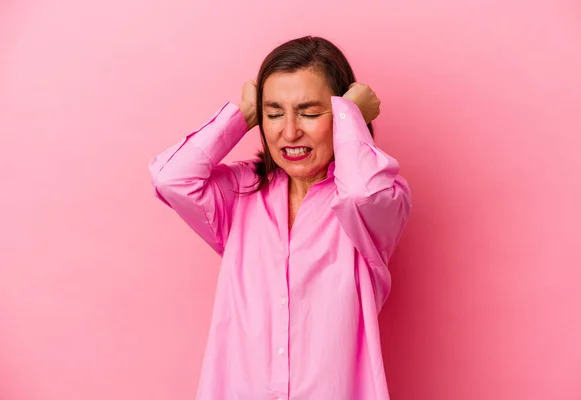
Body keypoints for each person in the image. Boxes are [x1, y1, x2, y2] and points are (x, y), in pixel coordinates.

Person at [149, 36, 411, 400]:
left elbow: (360, 193)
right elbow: (170, 178)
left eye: (309, 112)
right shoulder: (240, 194)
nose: (289, 132)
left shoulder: (377, 202)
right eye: (273, 114)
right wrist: (243, 113)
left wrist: (350, 116)